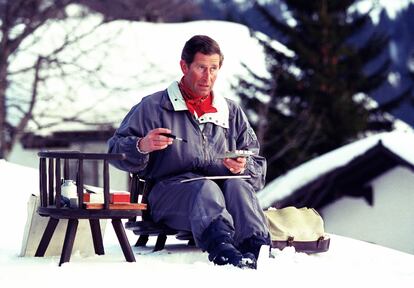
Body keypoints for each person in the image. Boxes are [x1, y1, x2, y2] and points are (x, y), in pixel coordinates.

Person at [108, 35, 270, 269]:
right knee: (205, 187)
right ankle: (221, 248)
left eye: (214, 68)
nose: (208, 76)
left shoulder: (230, 112)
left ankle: (256, 247)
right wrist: (141, 145)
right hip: (168, 195)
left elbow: (256, 165)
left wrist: (244, 167)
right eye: (201, 68)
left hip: (222, 196)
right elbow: (114, 148)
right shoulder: (153, 107)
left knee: (238, 186)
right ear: (184, 66)